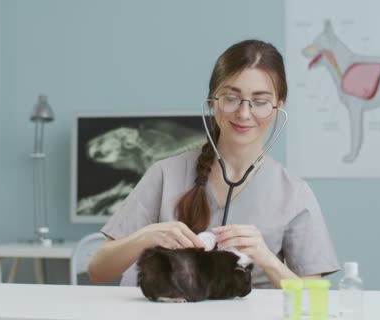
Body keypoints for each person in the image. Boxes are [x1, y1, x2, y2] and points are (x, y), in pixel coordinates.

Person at [88, 39, 339, 289]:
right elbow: (98, 270)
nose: (243, 113)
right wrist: (145, 236)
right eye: (231, 98)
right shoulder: (165, 174)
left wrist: (266, 258)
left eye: (260, 101)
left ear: (278, 106)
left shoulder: (294, 194)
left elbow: (311, 300)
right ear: (212, 100)